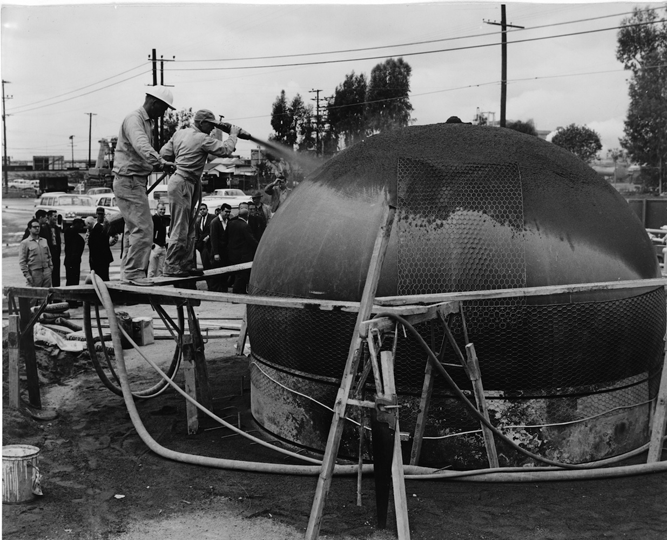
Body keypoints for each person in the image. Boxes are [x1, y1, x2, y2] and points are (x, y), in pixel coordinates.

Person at [159, 109, 240, 278]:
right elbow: (225, 150)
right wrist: (233, 134)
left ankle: (186, 264)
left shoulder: (180, 134)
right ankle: (172, 265)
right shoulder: (201, 138)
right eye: (210, 125)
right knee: (180, 226)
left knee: (189, 227)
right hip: (183, 182)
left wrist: (173, 163)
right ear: (201, 123)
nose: (211, 129)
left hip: (185, 181)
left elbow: (164, 154)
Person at [112, 86, 176, 286]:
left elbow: (142, 152)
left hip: (133, 180)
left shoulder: (144, 121)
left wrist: (159, 162)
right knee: (144, 230)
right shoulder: (135, 120)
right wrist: (159, 162)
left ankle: (128, 275)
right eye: (164, 108)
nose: (163, 113)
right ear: (154, 103)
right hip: (129, 180)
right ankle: (133, 274)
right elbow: (141, 145)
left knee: (135, 231)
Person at [226, 202, 258, 294]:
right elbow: (251, 240)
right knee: (242, 275)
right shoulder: (245, 226)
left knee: (237, 274)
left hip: (233, 254)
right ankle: (238, 292)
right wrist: (259, 247)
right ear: (246, 216)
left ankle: (239, 291)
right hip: (243, 255)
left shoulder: (231, 223)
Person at [19, 219, 53, 288]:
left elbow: (49, 256)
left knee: (47, 295)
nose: (37, 228)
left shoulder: (44, 241)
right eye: (34, 227)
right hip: (34, 273)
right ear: (29, 229)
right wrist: (27, 275)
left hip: (46, 272)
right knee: (34, 296)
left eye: (38, 227)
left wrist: (50, 268)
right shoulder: (25, 243)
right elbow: (22, 262)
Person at [209, 203, 232, 292]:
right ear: (221, 211)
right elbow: (213, 238)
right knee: (216, 273)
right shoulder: (215, 222)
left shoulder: (228, 221)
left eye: (229, 212)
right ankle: (215, 290)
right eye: (226, 211)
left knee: (224, 273)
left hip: (225, 252)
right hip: (217, 252)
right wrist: (216, 253)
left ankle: (223, 289)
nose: (227, 213)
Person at [86, 214, 114, 282]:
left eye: (87, 225)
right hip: (104, 258)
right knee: (105, 276)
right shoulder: (102, 228)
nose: (87, 227)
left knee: (100, 278)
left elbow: (95, 247)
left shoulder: (94, 231)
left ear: (89, 223)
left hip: (98, 260)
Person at [194, 203, 215, 287]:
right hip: (203, 247)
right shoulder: (198, 221)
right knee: (205, 266)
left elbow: (215, 231)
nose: (202, 211)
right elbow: (198, 234)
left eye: (204, 209)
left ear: (207, 209)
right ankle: (209, 285)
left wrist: (209, 237)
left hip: (211, 246)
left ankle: (214, 286)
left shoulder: (212, 218)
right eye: (201, 209)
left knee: (212, 266)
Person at [148, 202, 169, 278]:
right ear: (157, 209)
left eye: (164, 209)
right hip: (155, 245)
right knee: (152, 268)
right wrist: (151, 243)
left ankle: (159, 285)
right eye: (161, 209)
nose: (162, 211)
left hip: (163, 246)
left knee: (160, 269)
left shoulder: (164, 219)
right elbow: (149, 231)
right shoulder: (153, 219)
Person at [64, 218, 86, 286]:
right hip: (72, 260)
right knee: (72, 280)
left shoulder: (70, 233)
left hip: (72, 260)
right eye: (80, 226)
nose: (81, 228)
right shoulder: (70, 233)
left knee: (73, 279)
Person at [46, 210, 62, 287]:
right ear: (49, 217)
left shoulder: (57, 228)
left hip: (56, 253)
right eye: (54, 216)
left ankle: (57, 294)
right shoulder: (44, 228)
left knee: (56, 274)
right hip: (48, 253)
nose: (56, 218)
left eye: (56, 216)